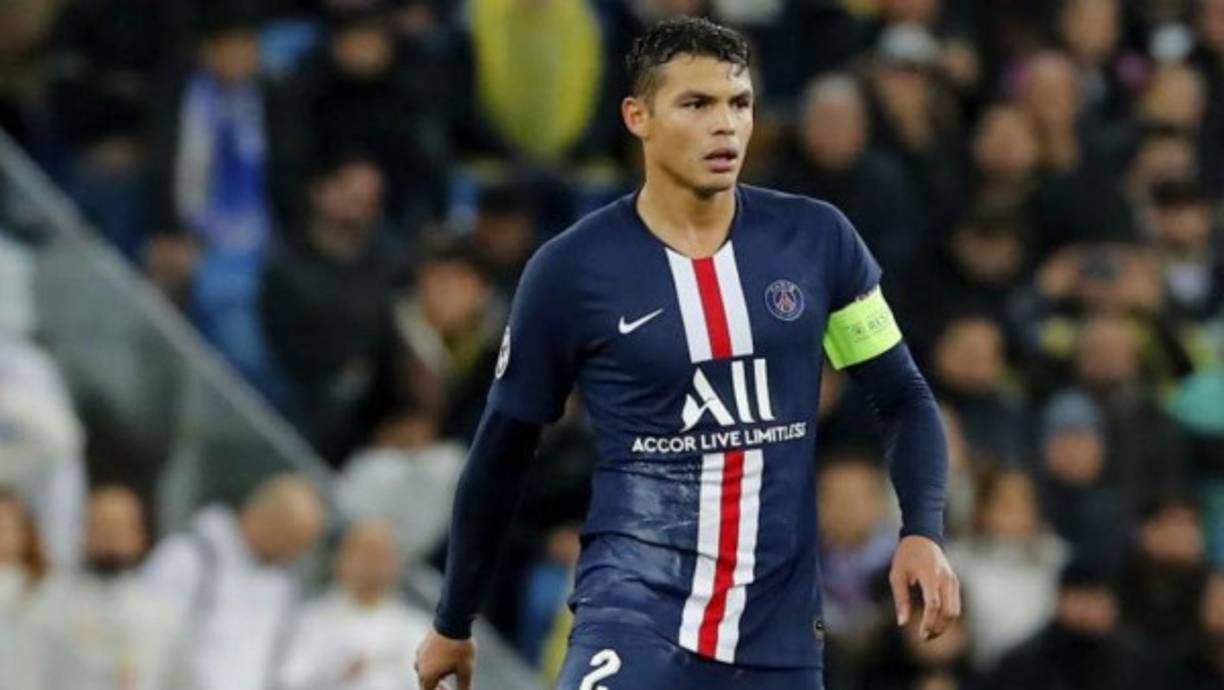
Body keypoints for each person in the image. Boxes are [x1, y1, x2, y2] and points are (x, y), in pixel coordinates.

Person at [416, 17, 958, 690]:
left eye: (739, 103)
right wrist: (453, 618)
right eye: (697, 104)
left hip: (778, 642)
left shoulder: (817, 241)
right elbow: (503, 448)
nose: (724, 124)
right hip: (631, 618)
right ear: (637, 116)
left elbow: (901, 394)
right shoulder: (572, 271)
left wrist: (922, 528)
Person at [143, 474, 326, 690]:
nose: (295, 554)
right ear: (264, 519)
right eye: (292, 540)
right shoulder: (189, 558)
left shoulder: (284, 587)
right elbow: (146, 642)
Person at [18, 485, 190, 690]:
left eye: (120, 526)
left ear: (140, 536)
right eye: (102, 525)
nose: (111, 536)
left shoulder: (165, 615)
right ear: (84, 533)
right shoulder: (49, 607)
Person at [279, 520, 433, 690]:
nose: (371, 565)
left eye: (381, 556)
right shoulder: (311, 618)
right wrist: (337, 671)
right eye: (363, 554)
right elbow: (288, 681)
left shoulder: (417, 629)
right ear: (340, 560)